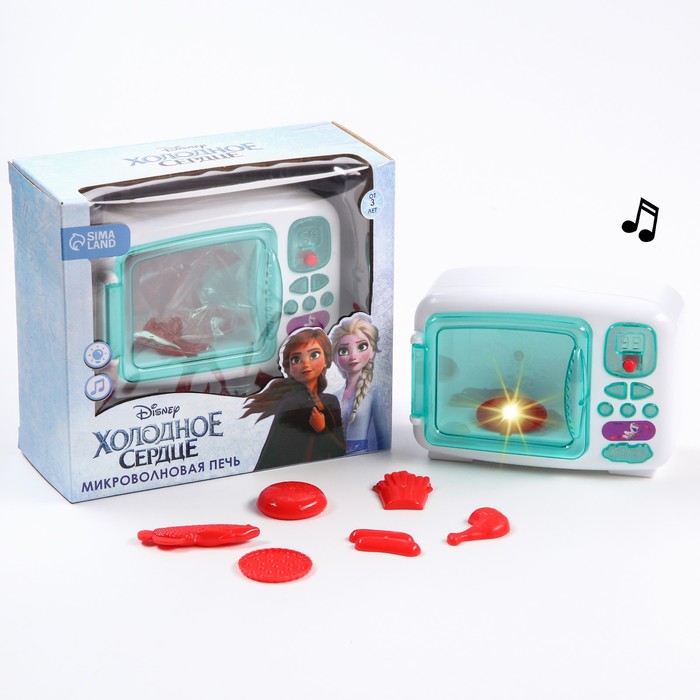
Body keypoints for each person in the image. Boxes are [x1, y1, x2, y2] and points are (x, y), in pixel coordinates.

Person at [241, 327, 346, 470]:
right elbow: (273, 454)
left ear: (326, 360)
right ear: (289, 368)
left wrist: (322, 429)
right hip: (297, 477)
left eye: (314, 355)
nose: (306, 364)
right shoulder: (291, 404)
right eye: (296, 359)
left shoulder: (330, 401)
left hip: (328, 473)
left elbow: (340, 450)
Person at [329, 313, 390, 454]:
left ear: (372, 350)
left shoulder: (374, 394)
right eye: (343, 350)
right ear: (335, 357)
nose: (353, 356)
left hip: (361, 458)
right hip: (334, 458)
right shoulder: (334, 396)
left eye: (362, 347)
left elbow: (383, 439)